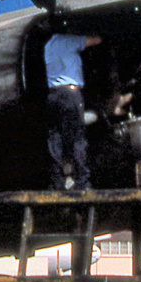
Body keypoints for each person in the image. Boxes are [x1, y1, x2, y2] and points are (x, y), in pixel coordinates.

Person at [43, 30, 100, 189]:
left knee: (55, 139)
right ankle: (82, 181)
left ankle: (57, 183)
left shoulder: (48, 45)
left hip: (53, 95)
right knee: (76, 138)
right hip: (70, 95)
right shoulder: (69, 41)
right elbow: (94, 40)